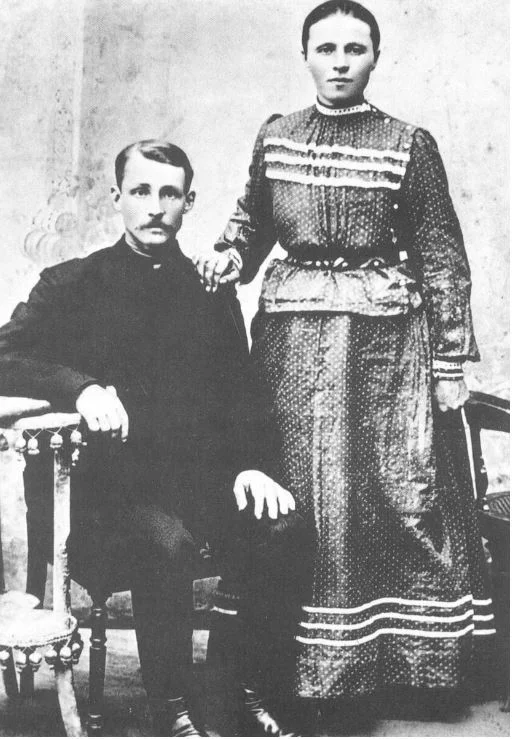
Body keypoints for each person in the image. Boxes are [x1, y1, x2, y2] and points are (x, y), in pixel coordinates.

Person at [194, 0, 496, 731]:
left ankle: (402, 671)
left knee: (391, 492)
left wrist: (448, 362)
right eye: (325, 48)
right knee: (300, 494)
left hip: (384, 349)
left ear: (375, 58)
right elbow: (250, 223)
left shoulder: (407, 143)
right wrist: (229, 255)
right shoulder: (277, 134)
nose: (338, 62)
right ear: (304, 55)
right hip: (290, 344)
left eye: (353, 49)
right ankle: (286, 671)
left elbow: (442, 257)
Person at [0, 139, 297, 737]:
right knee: (167, 544)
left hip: (193, 485)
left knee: (282, 526)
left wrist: (251, 466)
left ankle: (236, 690)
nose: (155, 207)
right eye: (141, 191)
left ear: (190, 201)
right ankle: (172, 710)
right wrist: (81, 388)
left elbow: (241, 393)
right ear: (117, 198)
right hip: (101, 496)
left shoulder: (209, 290)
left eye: (169, 194)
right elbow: (4, 357)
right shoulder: (73, 283)